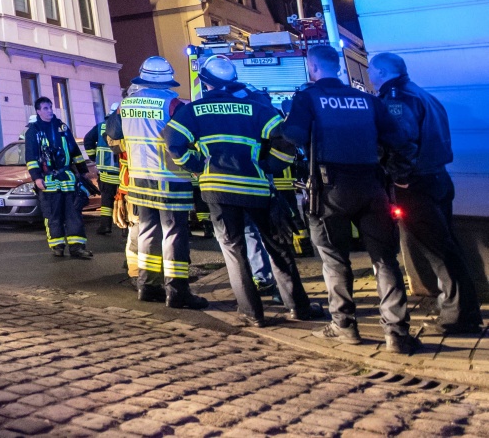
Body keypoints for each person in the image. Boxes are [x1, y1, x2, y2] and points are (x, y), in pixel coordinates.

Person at [163, 55, 322, 328]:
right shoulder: (256, 108)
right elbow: (286, 141)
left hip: (218, 191)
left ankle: (252, 313)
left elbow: (172, 140)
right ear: (233, 81)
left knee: (234, 251)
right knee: (278, 249)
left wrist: (197, 165)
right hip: (257, 188)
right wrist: (268, 166)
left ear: (204, 82)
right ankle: (299, 307)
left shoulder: (194, 111)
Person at [281, 44, 420, 354]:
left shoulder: (307, 98)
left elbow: (293, 135)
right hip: (372, 187)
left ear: (312, 67)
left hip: (330, 190)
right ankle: (397, 333)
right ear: (339, 67)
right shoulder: (368, 100)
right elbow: (398, 139)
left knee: (334, 260)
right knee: (385, 260)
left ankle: (345, 327)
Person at [371, 52, 484, 336]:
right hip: (438, 179)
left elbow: (402, 140)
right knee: (445, 247)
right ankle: (464, 311)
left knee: (438, 251)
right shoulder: (423, 95)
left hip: (417, 184)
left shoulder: (397, 98)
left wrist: (401, 178)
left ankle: (457, 317)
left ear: (383, 73)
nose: (370, 76)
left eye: (372, 71)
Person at [112, 56, 207, 309]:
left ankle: (148, 286)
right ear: (167, 80)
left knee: (147, 232)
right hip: (170, 179)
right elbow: (188, 139)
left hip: (139, 181)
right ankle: (177, 291)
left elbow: (112, 133)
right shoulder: (174, 104)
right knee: (174, 234)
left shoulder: (126, 104)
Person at [25, 97, 97, 259]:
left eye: (50, 107)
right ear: (38, 111)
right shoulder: (34, 131)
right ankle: (57, 246)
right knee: (53, 214)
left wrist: (82, 170)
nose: (49, 110)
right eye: (45, 108)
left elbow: (74, 150)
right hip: (48, 180)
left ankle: (77, 247)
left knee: (74, 214)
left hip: (67, 178)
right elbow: (31, 157)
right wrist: (37, 178)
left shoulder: (62, 127)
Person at [84, 103, 121, 235]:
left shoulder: (100, 127)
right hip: (123, 172)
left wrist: (94, 156)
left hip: (106, 171)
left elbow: (87, 140)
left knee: (106, 200)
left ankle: (105, 226)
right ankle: (125, 229)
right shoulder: (125, 125)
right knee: (124, 199)